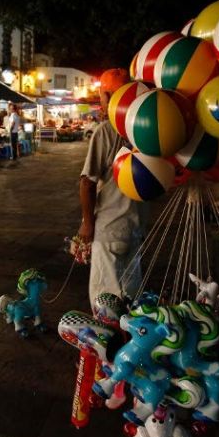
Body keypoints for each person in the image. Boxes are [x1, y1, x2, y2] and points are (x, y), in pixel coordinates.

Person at [78, 68, 148, 308]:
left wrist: (87, 224)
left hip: (109, 229)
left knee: (105, 301)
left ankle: (108, 343)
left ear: (110, 97)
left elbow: (87, 182)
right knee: (131, 297)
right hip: (135, 226)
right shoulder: (146, 131)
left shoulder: (105, 132)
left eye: (102, 95)